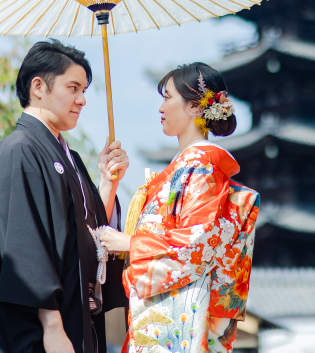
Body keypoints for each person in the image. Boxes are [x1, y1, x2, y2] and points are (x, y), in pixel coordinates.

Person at [0, 39, 129, 353]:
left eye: (84, 90)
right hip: (37, 329)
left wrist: (107, 182)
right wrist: (52, 326)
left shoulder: (67, 156)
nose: (82, 100)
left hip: (73, 317)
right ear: (38, 87)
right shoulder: (19, 149)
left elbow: (89, 234)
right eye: (73, 88)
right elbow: (24, 245)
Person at [99, 63, 260, 353]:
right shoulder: (188, 166)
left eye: (167, 97)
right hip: (166, 312)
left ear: (195, 108)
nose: (161, 107)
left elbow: (197, 244)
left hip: (181, 319)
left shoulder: (201, 166)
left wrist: (130, 243)